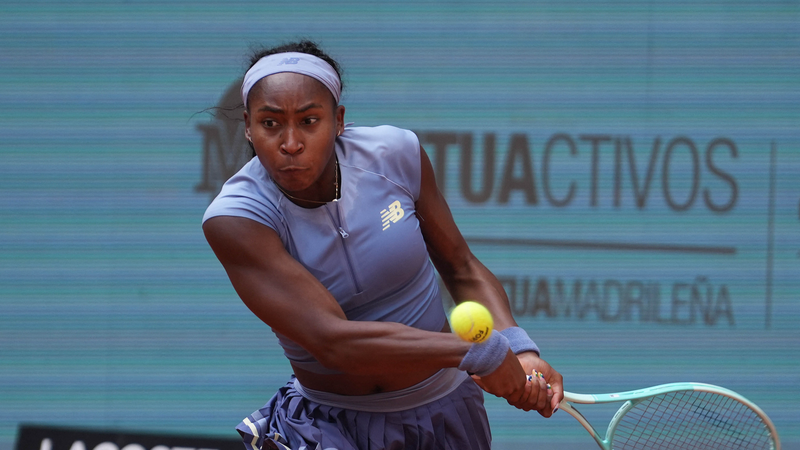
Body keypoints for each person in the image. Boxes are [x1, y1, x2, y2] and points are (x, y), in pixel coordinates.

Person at [202, 40, 564, 450]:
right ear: (248, 126)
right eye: (270, 123)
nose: (290, 143)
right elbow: (334, 342)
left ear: (338, 121)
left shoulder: (395, 154)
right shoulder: (236, 218)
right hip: (329, 426)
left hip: (446, 412)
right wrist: (479, 353)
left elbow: (460, 265)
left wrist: (518, 347)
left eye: (309, 121)